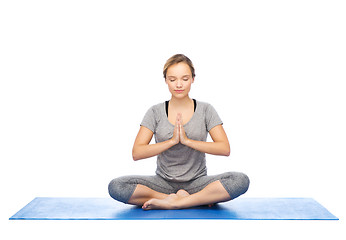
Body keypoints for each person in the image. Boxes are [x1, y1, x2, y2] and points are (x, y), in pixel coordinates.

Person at [108, 54, 249, 210]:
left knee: (240, 180)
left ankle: (177, 202)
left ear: (193, 79)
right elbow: (137, 152)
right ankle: (181, 199)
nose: (179, 85)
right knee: (117, 186)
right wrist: (172, 141)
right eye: (173, 79)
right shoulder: (155, 112)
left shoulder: (206, 109)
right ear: (166, 81)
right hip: (162, 183)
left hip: (198, 183)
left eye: (185, 78)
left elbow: (224, 148)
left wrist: (188, 141)